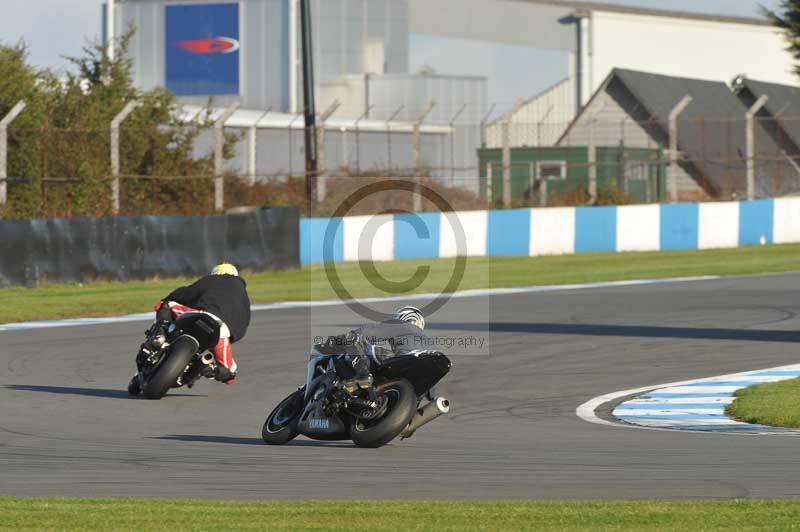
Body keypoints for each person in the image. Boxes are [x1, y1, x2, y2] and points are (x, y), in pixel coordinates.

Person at [152, 263, 251, 384]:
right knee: (230, 372)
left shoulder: (211, 280)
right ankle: (207, 368)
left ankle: (159, 335)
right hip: (222, 331)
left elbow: (187, 293)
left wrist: (165, 299)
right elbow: (244, 323)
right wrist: (230, 337)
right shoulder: (244, 296)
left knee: (168, 305)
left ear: (215, 274)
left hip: (202, 315)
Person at [317, 306, 430, 392]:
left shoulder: (400, 325)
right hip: (420, 381)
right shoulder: (428, 342)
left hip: (405, 363)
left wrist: (336, 341)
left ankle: (363, 375)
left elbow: (366, 333)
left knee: (356, 339)